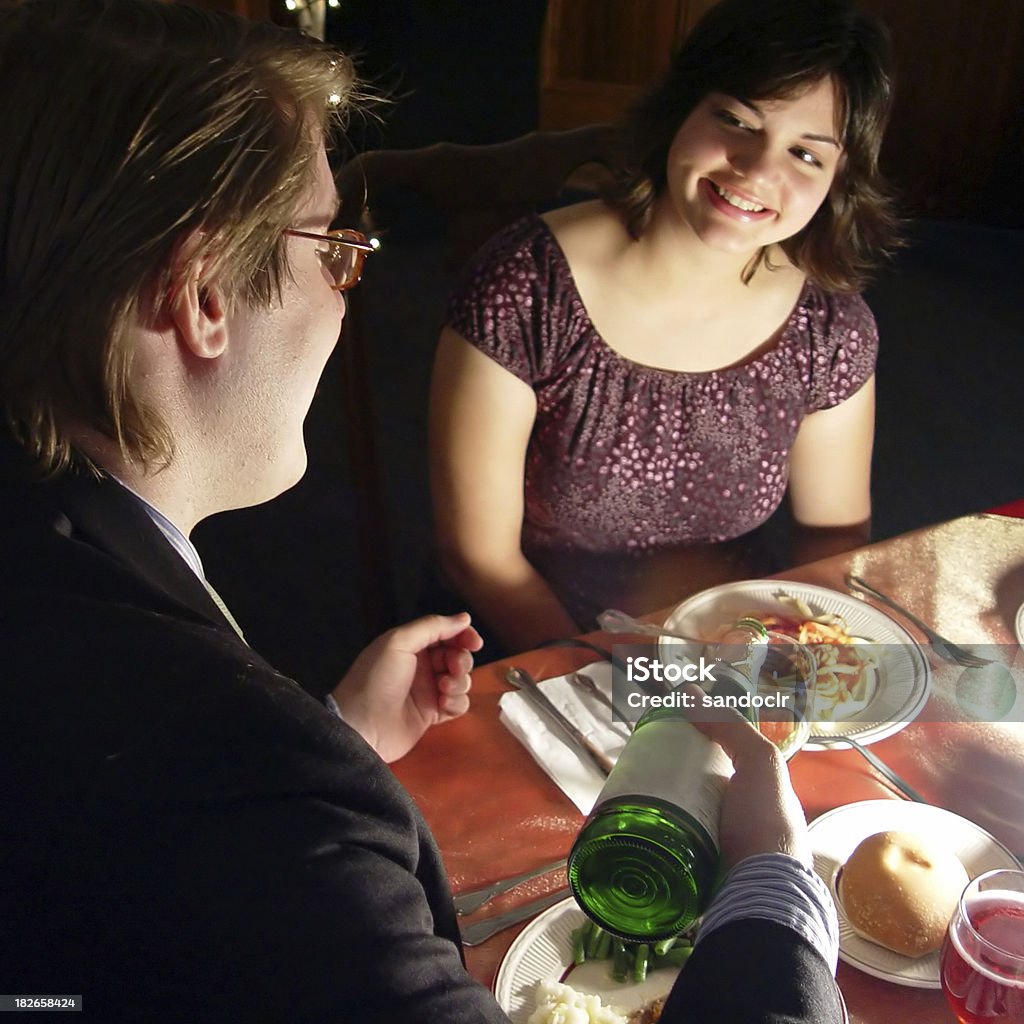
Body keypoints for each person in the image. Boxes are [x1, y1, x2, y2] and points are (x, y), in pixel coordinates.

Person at [0, 1, 840, 1020]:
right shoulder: (263, 805)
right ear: (203, 295)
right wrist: (775, 876)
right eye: (334, 247)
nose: (349, 293)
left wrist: (335, 731)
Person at [430, 0, 900, 655]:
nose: (758, 169)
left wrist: (793, 657)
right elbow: (480, 560)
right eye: (736, 119)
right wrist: (628, 678)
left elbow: (832, 536)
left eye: (805, 153)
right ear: (682, 108)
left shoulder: (829, 329)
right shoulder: (527, 286)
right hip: (540, 645)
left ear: (837, 181)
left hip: (732, 645)